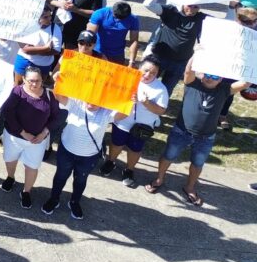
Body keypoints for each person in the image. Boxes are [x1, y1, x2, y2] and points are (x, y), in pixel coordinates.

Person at [145, 58, 250, 206]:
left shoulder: (225, 89)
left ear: (221, 78)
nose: (209, 78)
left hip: (206, 137)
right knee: (168, 156)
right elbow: (188, 70)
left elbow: (245, 83)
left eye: (214, 76)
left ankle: (190, 186)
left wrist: (252, 61)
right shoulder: (192, 83)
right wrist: (197, 54)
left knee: (197, 164)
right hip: (181, 131)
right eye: (207, 74)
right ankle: (159, 178)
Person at [43, 92, 124, 220]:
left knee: (81, 180)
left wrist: (132, 102)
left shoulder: (107, 112)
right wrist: (59, 80)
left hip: (89, 156)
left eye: (96, 101)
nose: (91, 103)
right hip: (67, 152)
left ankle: (74, 202)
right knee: (60, 177)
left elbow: (123, 114)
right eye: (89, 99)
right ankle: (54, 199)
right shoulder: (76, 103)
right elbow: (59, 96)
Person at [0, 65, 62, 209]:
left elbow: (56, 117)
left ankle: (26, 191)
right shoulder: (17, 92)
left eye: (37, 81)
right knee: (10, 160)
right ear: (24, 79)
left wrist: (44, 133)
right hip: (14, 137)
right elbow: (7, 112)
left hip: (37, 141)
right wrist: (23, 133)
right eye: (31, 81)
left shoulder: (49, 96)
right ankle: (10, 177)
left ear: (43, 80)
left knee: (32, 167)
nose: (34, 84)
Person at [100, 57, 169, 187]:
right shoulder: (127, 78)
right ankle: (111, 161)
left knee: (135, 149)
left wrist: (146, 102)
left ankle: (129, 170)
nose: (148, 75)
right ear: (139, 68)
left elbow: (161, 111)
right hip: (122, 120)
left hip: (143, 126)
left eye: (153, 73)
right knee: (116, 143)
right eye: (146, 70)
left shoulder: (161, 89)